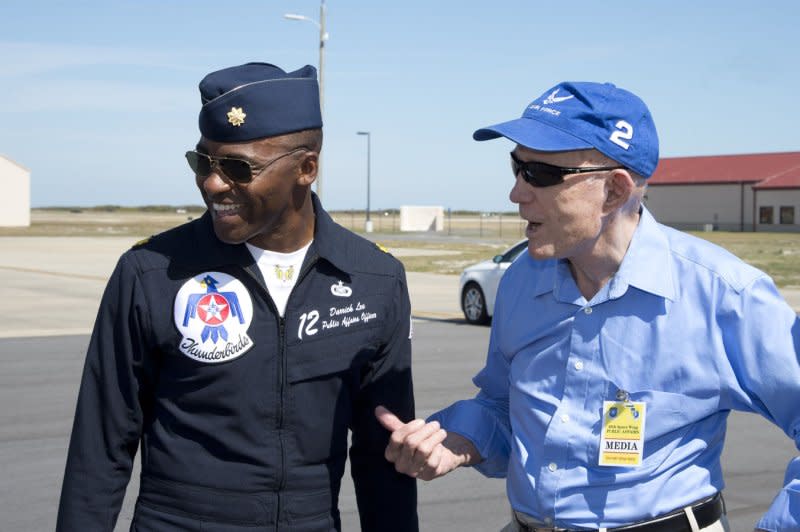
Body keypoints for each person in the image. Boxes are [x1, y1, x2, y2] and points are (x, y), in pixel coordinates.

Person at [376, 81, 800, 531]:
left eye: (538, 174)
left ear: (614, 191)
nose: (516, 193)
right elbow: (503, 406)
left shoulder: (723, 294)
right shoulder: (522, 279)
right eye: (516, 167)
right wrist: (458, 439)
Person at [56, 62, 418, 531]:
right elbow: (100, 446)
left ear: (306, 168)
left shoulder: (373, 278)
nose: (212, 183)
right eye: (202, 162)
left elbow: (383, 453)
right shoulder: (151, 272)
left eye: (236, 168)